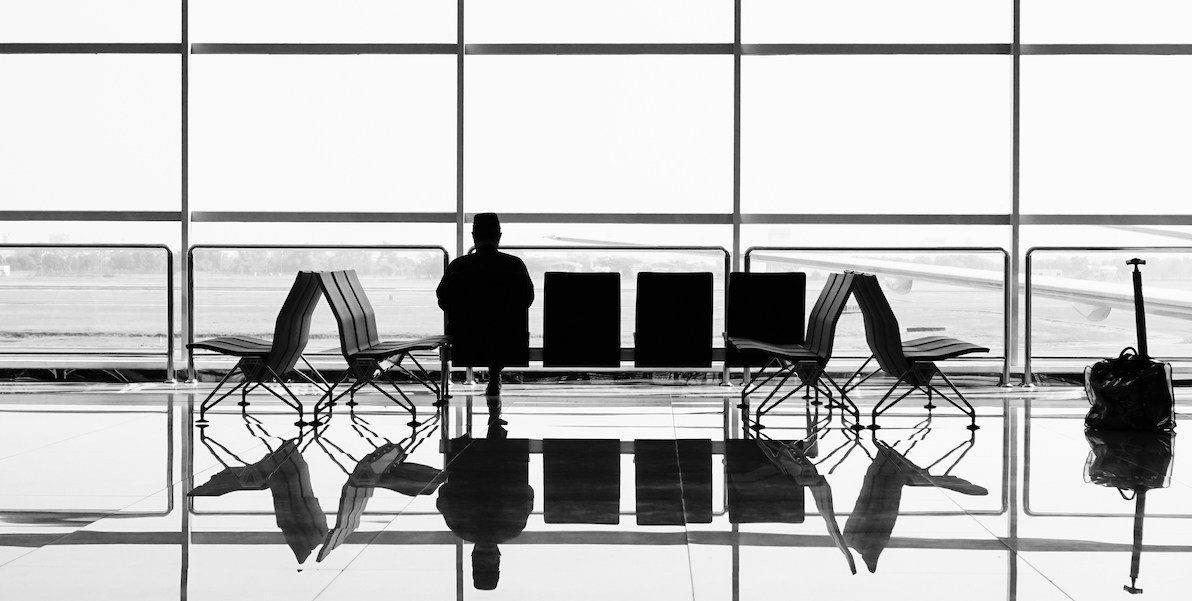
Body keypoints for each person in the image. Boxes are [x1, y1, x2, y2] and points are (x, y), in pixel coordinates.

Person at [436, 213, 534, 396]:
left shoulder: (458, 266)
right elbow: (527, 299)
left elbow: (443, 300)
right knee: (499, 329)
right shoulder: (515, 265)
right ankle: (495, 374)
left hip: (466, 340)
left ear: (474, 236)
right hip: (509, 341)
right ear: (499, 236)